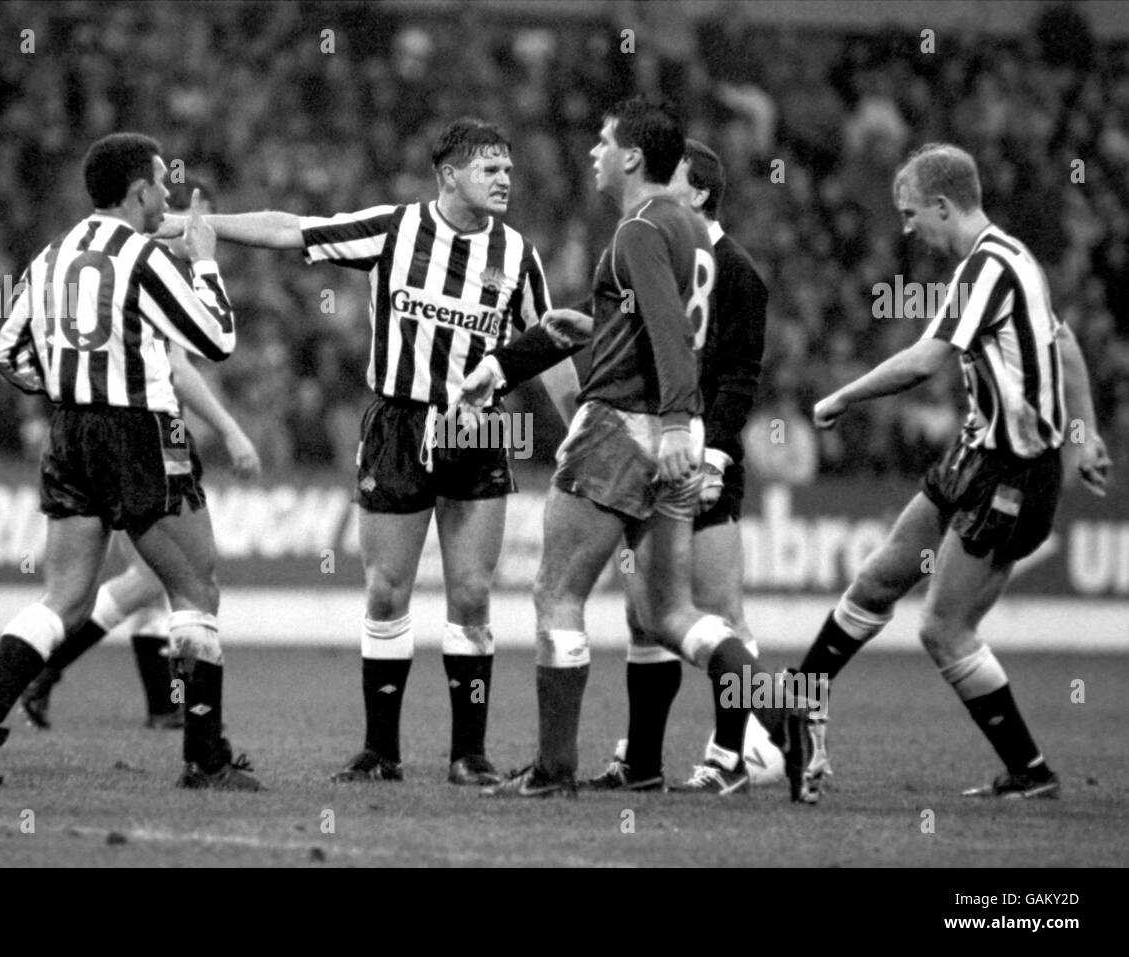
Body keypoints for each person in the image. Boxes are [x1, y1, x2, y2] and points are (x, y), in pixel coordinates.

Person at [157, 119, 580, 785]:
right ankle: (381, 751)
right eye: (489, 168)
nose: (505, 179)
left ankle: (468, 755)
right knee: (387, 592)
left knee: (471, 592)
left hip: (478, 429)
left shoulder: (517, 254)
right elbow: (290, 228)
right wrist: (193, 224)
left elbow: (548, 342)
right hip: (397, 425)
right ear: (449, 175)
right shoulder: (395, 228)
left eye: (508, 168)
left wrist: (578, 428)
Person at [459, 98, 812, 799]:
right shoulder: (694, 231)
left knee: (556, 594)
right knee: (669, 614)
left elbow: (667, 332)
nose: (592, 152)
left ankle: (552, 770)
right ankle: (780, 710)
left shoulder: (640, 228)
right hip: (675, 441)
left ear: (629, 156)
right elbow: (659, 319)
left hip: (624, 429)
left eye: (602, 140)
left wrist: (680, 419)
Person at [789, 143, 1112, 801]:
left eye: (912, 214)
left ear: (944, 205)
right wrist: (1090, 433)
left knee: (943, 627)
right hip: (974, 454)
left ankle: (1031, 771)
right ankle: (802, 700)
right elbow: (1066, 343)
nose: (908, 228)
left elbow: (921, 362)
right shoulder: (1013, 259)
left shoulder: (987, 266)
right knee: (880, 577)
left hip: (1015, 473)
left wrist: (843, 397)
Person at [0, 132, 262, 791]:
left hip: (69, 433)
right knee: (195, 586)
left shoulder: (52, 255)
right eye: (160, 183)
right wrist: (204, 262)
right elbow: (218, 338)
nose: (168, 193)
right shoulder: (141, 257)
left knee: (62, 597)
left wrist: (62, 385)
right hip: (139, 434)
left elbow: (1, 349)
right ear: (138, 190)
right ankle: (205, 757)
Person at [17, 183, 262, 732]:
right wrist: (233, 431)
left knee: (151, 586)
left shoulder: (124, 280)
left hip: (104, 437)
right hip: (132, 444)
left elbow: (178, 366)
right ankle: (45, 672)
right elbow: (184, 365)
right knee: (158, 583)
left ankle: (161, 704)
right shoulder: (138, 276)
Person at [582, 139, 772, 792]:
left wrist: (715, 452)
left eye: (673, 182)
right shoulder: (670, 254)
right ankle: (643, 758)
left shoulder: (736, 270)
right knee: (647, 613)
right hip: (654, 450)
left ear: (695, 194)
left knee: (713, 608)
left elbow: (739, 376)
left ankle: (748, 743)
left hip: (699, 454)